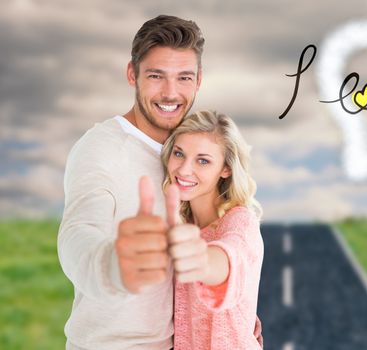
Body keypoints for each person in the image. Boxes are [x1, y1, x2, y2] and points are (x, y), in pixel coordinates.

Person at [58, 15, 204, 349]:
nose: (171, 92)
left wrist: (230, 318)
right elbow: (77, 233)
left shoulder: (190, 152)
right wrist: (111, 265)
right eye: (156, 76)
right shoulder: (100, 148)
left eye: (184, 77)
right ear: (131, 75)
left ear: (198, 82)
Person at [160, 110, 264, 349]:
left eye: (203, 160)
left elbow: (228, 258)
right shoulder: (182, 224)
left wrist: (199, 259)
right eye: (179, 154)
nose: (184, 170)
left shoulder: (240, 222)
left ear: (225, 169)